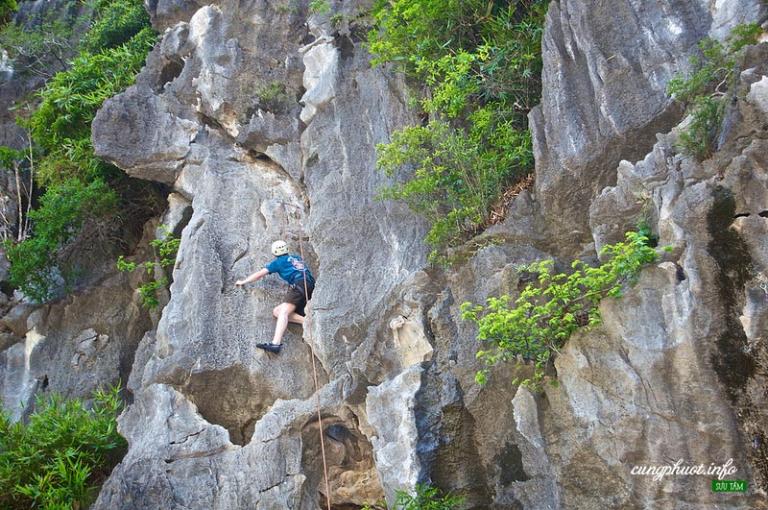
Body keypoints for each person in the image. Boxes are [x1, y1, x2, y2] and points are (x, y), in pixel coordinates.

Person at [235, 240, 315, 353]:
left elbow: (259, 274)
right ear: (286, 249)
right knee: (277, 311)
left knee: (283, 313)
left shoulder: (277, 263)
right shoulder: (296, 257)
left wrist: (243, 281)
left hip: (299, 284)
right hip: (309, 285)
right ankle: (309, 321)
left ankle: (275, 344)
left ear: (274, 252)